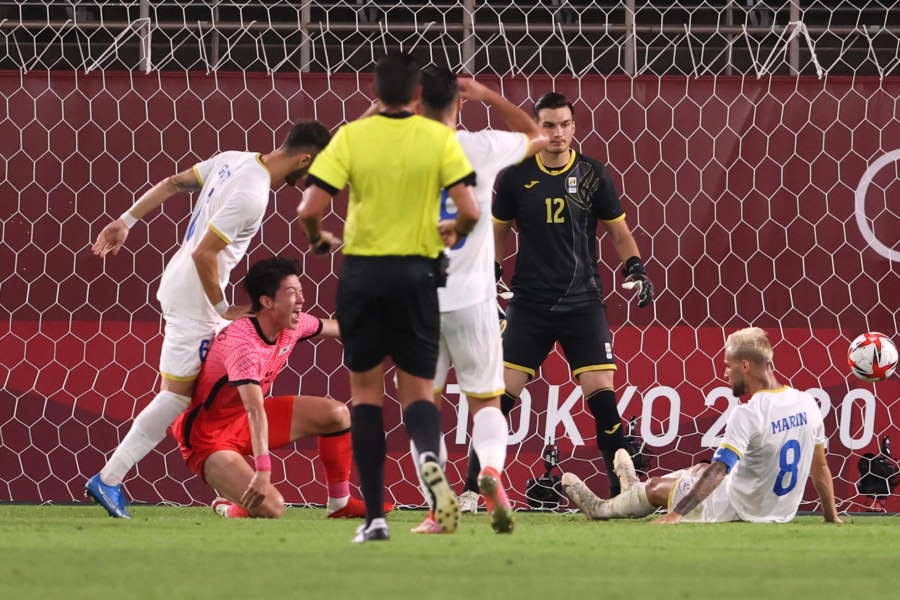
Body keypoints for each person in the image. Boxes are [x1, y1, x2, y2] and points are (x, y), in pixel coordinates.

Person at [85, 121, 331, 518]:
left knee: (197, 385)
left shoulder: (235, 159)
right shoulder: (253, 194)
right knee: (176, 395)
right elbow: (205, 253)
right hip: (196, 295)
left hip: (182, 282)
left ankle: (218, 466)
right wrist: (221, 308)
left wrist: (126, 220)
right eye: (317, 170)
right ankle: (110, 478)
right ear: (305, 159)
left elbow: (173, 182)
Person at [297, 52, 480, 542]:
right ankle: (430, 467)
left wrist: (318, 238)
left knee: (364, 395)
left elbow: (308, 207)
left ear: (375, 93)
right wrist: (453, 227)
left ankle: (375, 518)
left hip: (363, 275)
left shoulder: (352, 138)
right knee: (418, 392)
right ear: (419, 96)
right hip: (418, 275)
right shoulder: (437, 138)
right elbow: (469, 208)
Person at [491, 92, 654, 497]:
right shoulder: (514, 176)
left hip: (583, 303)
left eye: (564, 124)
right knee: (501, 399)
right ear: (535, 128)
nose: (558, 133)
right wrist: (490, 271)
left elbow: (619, 232)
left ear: (574, 127)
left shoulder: (593, 174)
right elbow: (498, 231)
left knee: (602, 399)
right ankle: (476, 490)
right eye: (548, 125)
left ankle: (623, 492)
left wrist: (636, 268)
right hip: (529, 304)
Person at [408, 67, 548, 534]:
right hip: (473, 300)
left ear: (416, 102)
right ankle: (490, 471)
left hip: (418, 302)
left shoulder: (396, 154)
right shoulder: (481, 147)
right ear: (460, 102)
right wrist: (487, 93)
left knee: (423, 406)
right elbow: (536, 135)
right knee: (486, 403)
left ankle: (438, 506)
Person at [561, 327, 843, 525]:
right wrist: (831, 515)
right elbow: (820, 467)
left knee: (660, 487)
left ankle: (601, 509)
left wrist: (677, 515)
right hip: (778, 509)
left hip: (738, 507)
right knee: (698, 470)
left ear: (745, 365)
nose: (725, 372)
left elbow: (721, 470)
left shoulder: (749, 412)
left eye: (728, 366)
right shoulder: (806, 402)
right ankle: (631, 487)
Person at [171, 257, 382, 519]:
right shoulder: (242, 344)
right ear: (267, 301)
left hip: (244, 421)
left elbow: (337, 328)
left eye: (301, 292)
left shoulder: (292, 324)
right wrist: (262, 472)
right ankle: (227, 507)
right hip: (208, 437)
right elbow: (255, 410)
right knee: (272, 507)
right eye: (292, 293)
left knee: (337, 414)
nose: (301, 300)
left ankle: (340, 503)